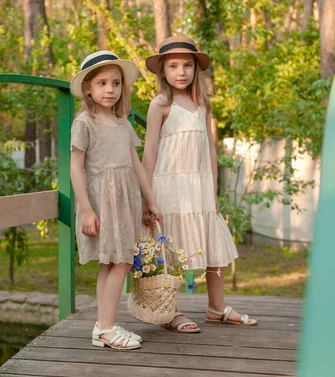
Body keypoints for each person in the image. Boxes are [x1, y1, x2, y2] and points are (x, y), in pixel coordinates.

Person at [142, 36, 258, 332]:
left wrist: (214, 189)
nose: (181, 72)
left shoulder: (202, 104)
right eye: (173, 66)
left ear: (196, 70)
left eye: (187, 66)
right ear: (163, 71)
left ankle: (216, 308)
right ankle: (170, 311)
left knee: (211, 244)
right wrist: (146, 196)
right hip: (169, 189)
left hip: (200, 187)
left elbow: (209, 146)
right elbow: (150, 151)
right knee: (172, 249)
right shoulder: (161, 105)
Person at [69, 50, 162, 349]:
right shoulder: (85, 123)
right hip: (101, 202)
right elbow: (75, 167)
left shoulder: (123, 123)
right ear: (87, 88)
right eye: (102, 83)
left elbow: (136, 166)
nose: (110, 90)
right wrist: (85, 209)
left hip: (126, 201)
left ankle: (104, 325)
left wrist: (150, 202)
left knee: (114, 263)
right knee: (119, 262)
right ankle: (105, 327)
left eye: (116, 83)